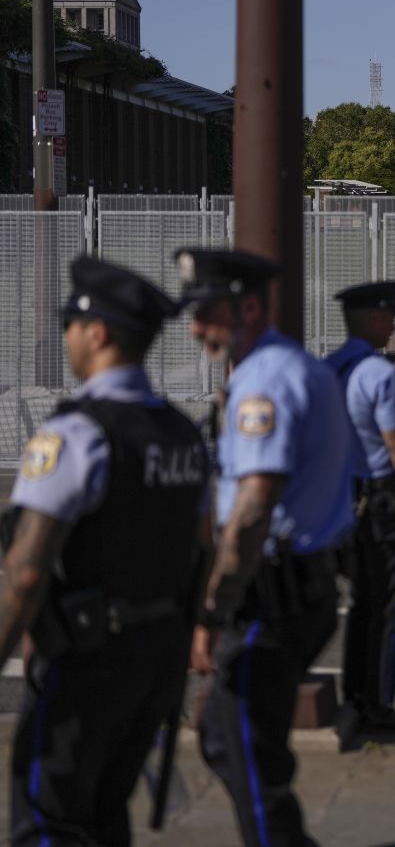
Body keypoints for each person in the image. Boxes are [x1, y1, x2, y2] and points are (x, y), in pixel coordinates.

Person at [3, 257, 208, 847]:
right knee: (103, 813)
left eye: (71, 323)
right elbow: (201, 548)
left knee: (49, 821)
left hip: (86, 663)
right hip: (157, 660)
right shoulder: (181, 433)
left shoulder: (75, 434)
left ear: (97, 333)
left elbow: (24, 572)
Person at [179, 248, 354, 847]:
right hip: (294, 591)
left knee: (245, 750)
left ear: (248, 307)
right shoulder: (292, 368)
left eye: (207, 312)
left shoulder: (262, 383)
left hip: (269, 602)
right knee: (233, 741)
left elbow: (252, 511)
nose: (196, 327)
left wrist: (210, 612)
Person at [324, 281, 395, 733]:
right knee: (390, 603)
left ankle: (356, 696)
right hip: (383, 495)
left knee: (363, 604)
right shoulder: (380, 374)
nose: (392, 326)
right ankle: (378, 704)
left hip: (343, 494)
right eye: (388, 318)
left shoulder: (329, 368)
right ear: (372, 319)